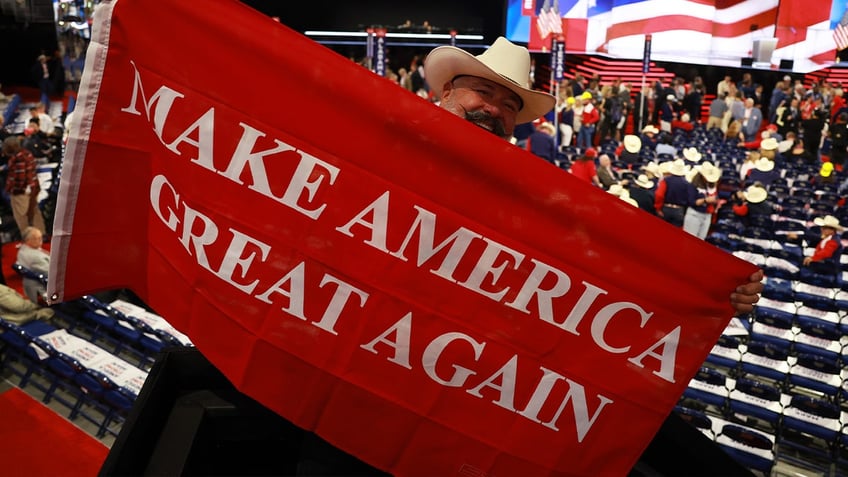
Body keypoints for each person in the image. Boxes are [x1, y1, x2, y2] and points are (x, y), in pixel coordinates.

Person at [424, 37, 762, 310]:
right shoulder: (383, 143)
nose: (494, 109)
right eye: (483, 92)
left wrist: (710, 290)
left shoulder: (526, 192)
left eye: (510, 105)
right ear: (448, 92)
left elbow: (604, 263)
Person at [2, 136, 46, 238]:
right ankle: (41, 235)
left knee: (21, 216)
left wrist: (14, 190)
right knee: (34, 213)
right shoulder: (27, 154)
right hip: (33, 188)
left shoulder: (18, 159)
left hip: (21, 192)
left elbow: (20, 178)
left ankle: (29, 239)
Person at [683, 162, 721, 239]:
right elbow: (692, 202)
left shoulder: (712, 186)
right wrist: (705, 200)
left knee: (701, 240)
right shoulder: (693, 185)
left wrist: (715, 201)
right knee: (690, 240)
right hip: (695, 214)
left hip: (707, 215)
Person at [16, 226, 50, 303]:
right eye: (37, 238)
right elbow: (51, 273)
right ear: (27, 240)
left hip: (35, 283)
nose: (41, 240)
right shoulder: (34, 257)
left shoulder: (24, 249)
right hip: (42, 287)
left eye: (41, 237)